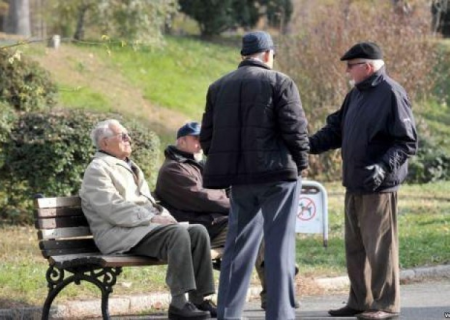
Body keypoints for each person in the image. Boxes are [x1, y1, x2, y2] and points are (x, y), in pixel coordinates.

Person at [200, 31, 309, 320]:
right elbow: (296, 130)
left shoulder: (218, 86)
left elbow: (207, 138)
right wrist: (301, 163)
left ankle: (228, 313)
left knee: (237, 247)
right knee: (278, 247)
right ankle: (280, 314)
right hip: (277, 176)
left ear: (244, 54)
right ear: (268, 54)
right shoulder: (280, 82)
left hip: (239, 179)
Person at [309, 42, 418, 320]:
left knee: (381, 249)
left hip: (379, 188)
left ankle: (386, 305)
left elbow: (407, 141)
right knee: (355, 249)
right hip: (354, 183)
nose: (347, 71)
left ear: (367, 67)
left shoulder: (392, 93)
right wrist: (306, 145)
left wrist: (384, 166)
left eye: (351, 66)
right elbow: (335, 130)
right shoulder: (355, 94)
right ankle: (360, 300)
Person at [79, 119, 217, 320]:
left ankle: (200, 298)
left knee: (197, 231)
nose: (129, 139)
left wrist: (164, 217)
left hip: (137, 229)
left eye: (128, 135)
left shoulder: (129, 166)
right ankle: (179, 303)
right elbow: (113, 209)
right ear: (105, 143)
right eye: (122, 136)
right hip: (116, 233)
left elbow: (149, 203)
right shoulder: (98, 169)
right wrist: (151, 219)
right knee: (177, 234)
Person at [155, 121, 294, 310]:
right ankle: (277, 285)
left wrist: (235, 200)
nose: (201, 142)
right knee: (254, 226)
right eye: (196, 138)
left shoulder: (198, 165)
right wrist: (239, 205)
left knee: (257, 226)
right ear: (181, 141)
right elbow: (202, 197)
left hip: (213, 224)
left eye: (203, 138)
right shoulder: (174, 169)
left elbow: (226, 190)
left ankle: (276, 288)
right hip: (197, 230)